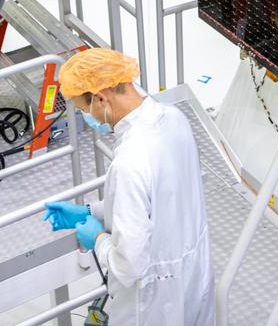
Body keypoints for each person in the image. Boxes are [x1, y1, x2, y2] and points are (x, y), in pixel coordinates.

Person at [43, 48, 213, 325]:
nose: (89, 117)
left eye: (84, 109)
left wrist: (97, 239)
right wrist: (89, 211)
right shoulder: (173, 119)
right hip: (193, 272)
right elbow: (161, 199)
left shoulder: (130, 162)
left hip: (153, 300)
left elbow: (128, 265)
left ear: (101, 98)